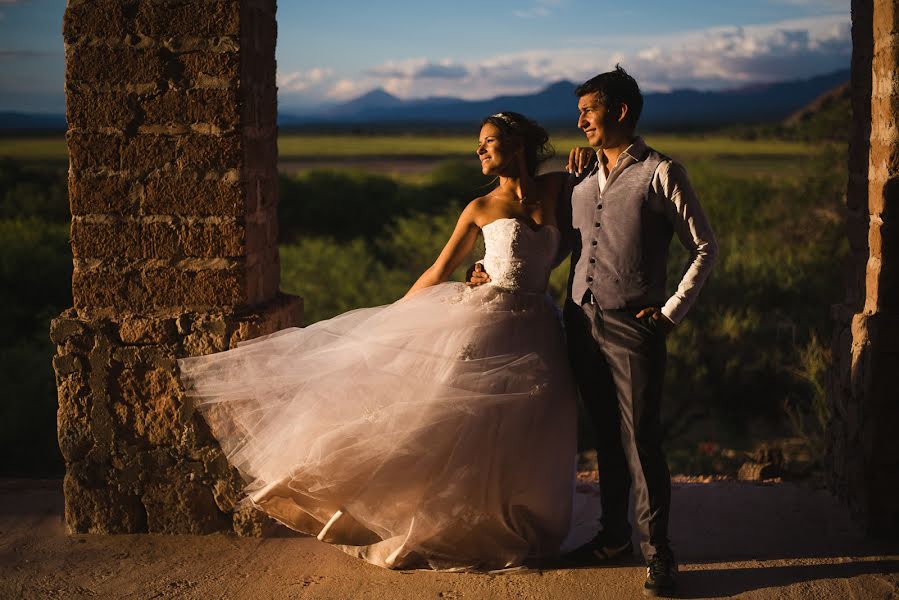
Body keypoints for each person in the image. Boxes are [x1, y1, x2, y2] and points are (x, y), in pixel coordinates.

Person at [177, 112, 586, 572]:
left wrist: (585, 160)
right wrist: (398, 315)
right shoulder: (479, 208)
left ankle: (517, 521)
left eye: (488, 142)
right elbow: (437, 271)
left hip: (540, 328)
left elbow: (573, 241)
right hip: (487, 321)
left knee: (529, 426)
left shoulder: (558, 190)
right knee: (458, 423)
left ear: (518, 147)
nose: (479, 151)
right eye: (478, 143)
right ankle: (453, 524)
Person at [471, 66, 718, 597]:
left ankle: (659, 554)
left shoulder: (662, 172)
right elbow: (551, 242)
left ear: (620, 111)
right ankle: (613, 537)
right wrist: (492, 268)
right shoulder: (578, 175)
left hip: (635, 325)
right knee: (605, 435)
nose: (580, 120)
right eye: (580, 111)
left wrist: (671, 312)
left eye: (589, 110)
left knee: (641, 439)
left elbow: (705, 247)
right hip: (580, 322)